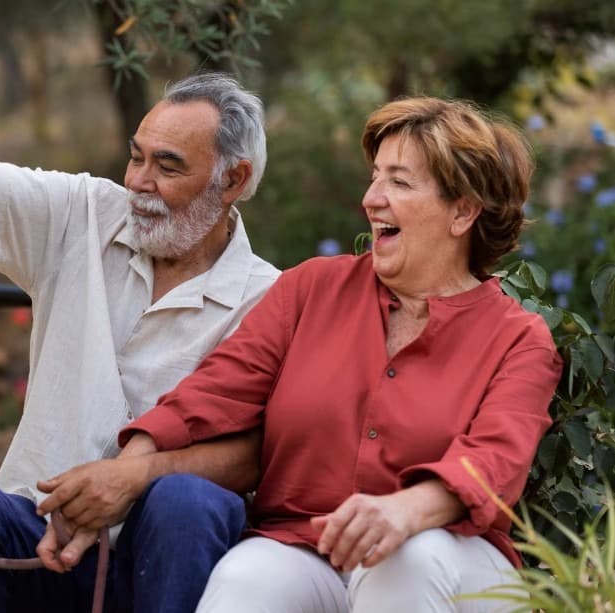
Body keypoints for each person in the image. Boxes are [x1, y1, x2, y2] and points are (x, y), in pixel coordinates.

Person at [43, 97, 564, 611]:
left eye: (399, 182)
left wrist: (405, 512)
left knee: (408, 558)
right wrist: (123, 476)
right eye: (375, 176)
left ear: (464, 212)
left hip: (451, 554)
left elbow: (494, 460)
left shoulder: (520, 339)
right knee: (247, 578)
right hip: (306, 541)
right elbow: (212, 392)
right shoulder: (312, 288)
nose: (372, 198)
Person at [0, 31, 279, 613]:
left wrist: (131, 480)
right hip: (39, 536)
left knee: (186, 504)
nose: (139, 182)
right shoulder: (84, 212)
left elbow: (258, 452)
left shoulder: (269, 297)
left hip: (169, 555)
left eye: (167, 166)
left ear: (234, 180)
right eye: (136, 156)